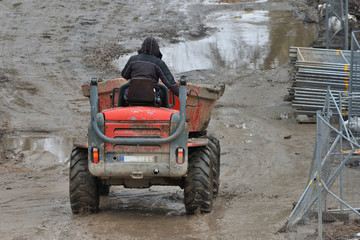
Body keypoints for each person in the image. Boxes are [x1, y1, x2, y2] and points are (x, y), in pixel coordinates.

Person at [121, 36, 179, 104]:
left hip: (132, 95)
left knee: (123, 89)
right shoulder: (158, 63)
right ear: (156, 49)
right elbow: (170, 84)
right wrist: (183, 95)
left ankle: (120, 109)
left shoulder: (133, 59)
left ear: (142, 47)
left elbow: (124, 75)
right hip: (151, 96)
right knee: (164, 91)